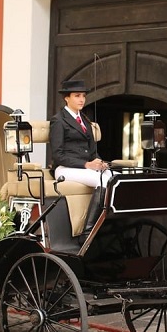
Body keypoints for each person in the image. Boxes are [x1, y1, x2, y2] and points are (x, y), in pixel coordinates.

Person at [49, 79, 111, 240]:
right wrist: (86, 164)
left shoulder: (85, 121)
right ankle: (87, 231)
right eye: (77, 96)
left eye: (83, 96)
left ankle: (106, 221)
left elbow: (92, 151)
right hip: (65, 169)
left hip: (85, 167)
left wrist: (99, 162)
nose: (82, 99)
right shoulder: (59, 121)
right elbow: (58, 155)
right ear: (67, 98)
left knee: (112, 176)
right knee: (103, 181)